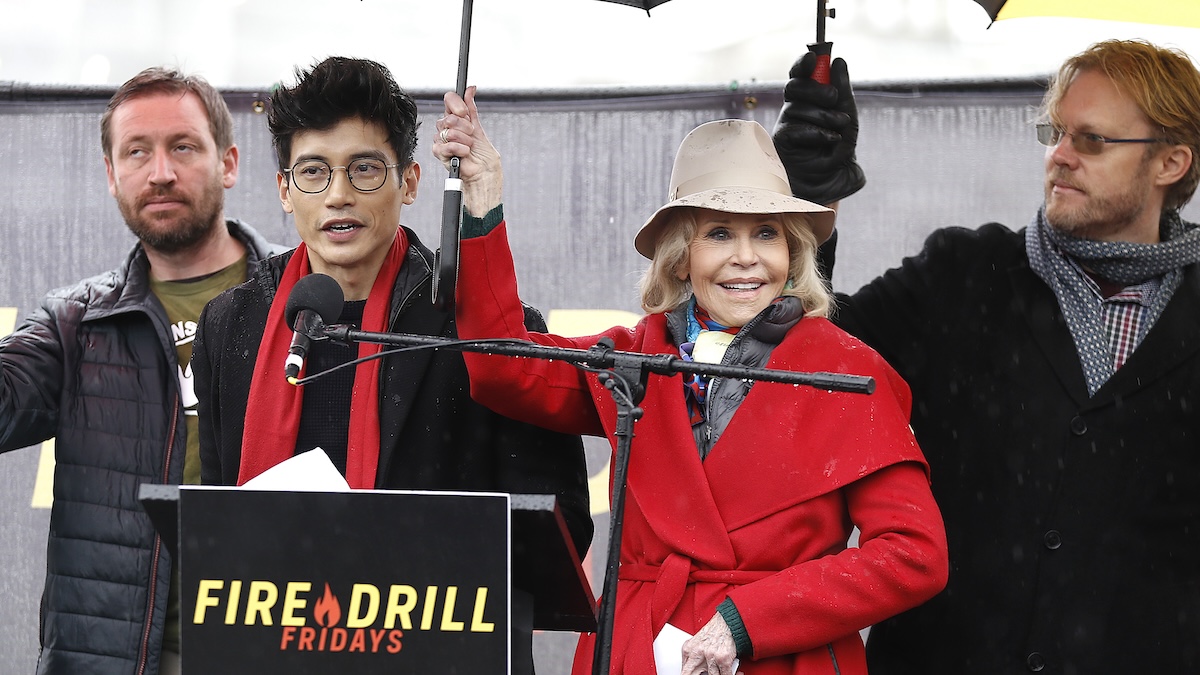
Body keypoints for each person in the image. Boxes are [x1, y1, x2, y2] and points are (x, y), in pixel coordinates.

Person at [434, 86, 949, 675]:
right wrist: (483, 199)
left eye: (767, 233)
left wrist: (746, 620)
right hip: (638, 652)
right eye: (720, 233)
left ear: (793, 251)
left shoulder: (850, 372)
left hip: (783, 656)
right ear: (681, 257)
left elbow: (914, 555)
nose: (746, 257)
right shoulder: (633, 358)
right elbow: (503, 364)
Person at [774, 40, 1200, 674]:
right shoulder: (962, 276)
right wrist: (802, 215)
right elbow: (796, 365)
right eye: (1055, 133)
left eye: (1091, 140)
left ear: (1170, 162)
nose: (1059, 156)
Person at [191, 57, 593, 672]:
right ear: (282, 190)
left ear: (409, 182)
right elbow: (220, 517)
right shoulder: (232, 325)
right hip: (278, 651)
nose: (338, 195)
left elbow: (558, 527)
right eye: (313, 172)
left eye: (365, 168)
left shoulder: (476, 327)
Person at [0, 67, 284, 675]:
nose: (160, 172)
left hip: (276, 649)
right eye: (137, 152)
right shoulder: (74, 323)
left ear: (228, 163)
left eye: (183, 146)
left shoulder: (308, 303)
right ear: (111, 175)